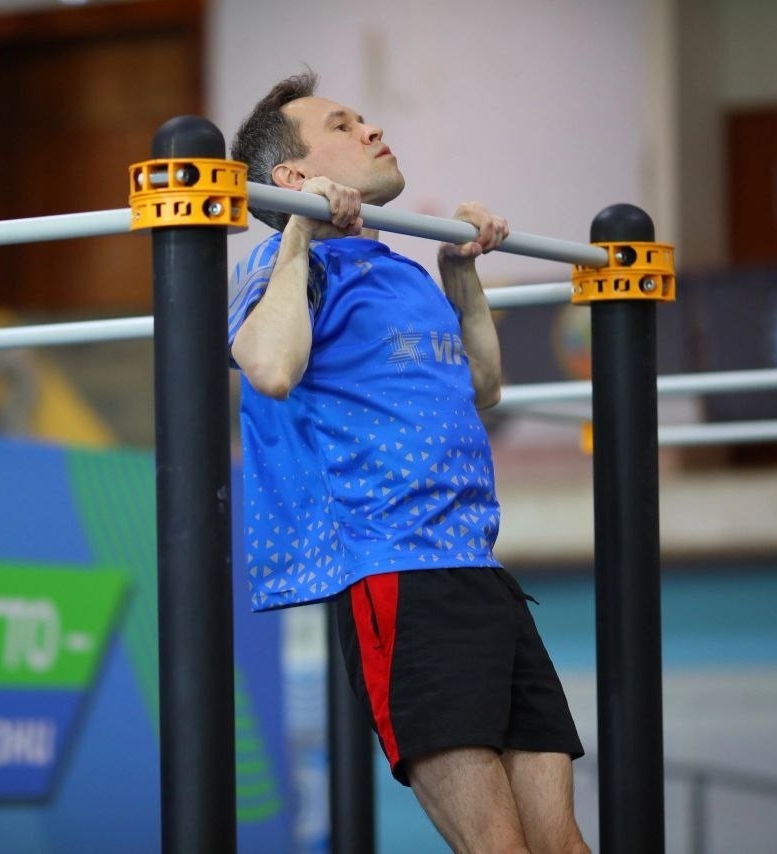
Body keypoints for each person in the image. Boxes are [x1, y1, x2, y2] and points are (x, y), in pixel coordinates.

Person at [227, 71, 588, 853]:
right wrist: (299, 233)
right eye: (342, 125)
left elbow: (483, 388)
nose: (371, 130)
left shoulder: (404, 271)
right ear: (292, 176)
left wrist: (462, 278)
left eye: (364, 118)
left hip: (482, 572)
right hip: (395, 573)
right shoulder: (284, 264)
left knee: (563, 845)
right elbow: (271, 368)